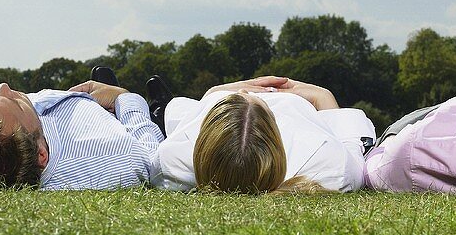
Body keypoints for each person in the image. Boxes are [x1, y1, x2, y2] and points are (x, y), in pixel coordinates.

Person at [0, 79, 163, 189]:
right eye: (14, 104)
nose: (3, 87)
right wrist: (125, 98)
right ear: (41, 154)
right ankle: (160, 106)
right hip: (110, 116)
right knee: (164, 113)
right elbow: (153, 157)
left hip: (76, 99)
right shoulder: (114, 155)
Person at [152, 76, 374, 193]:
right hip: (297, 108)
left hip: (202, 115)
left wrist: (216, 93)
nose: (244, 91)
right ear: (275, 128)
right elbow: (351, 140)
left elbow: (188, 121)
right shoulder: (330, 166)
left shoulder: (172, 163)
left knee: (180, 110)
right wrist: (321, 96)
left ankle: (161, 110)